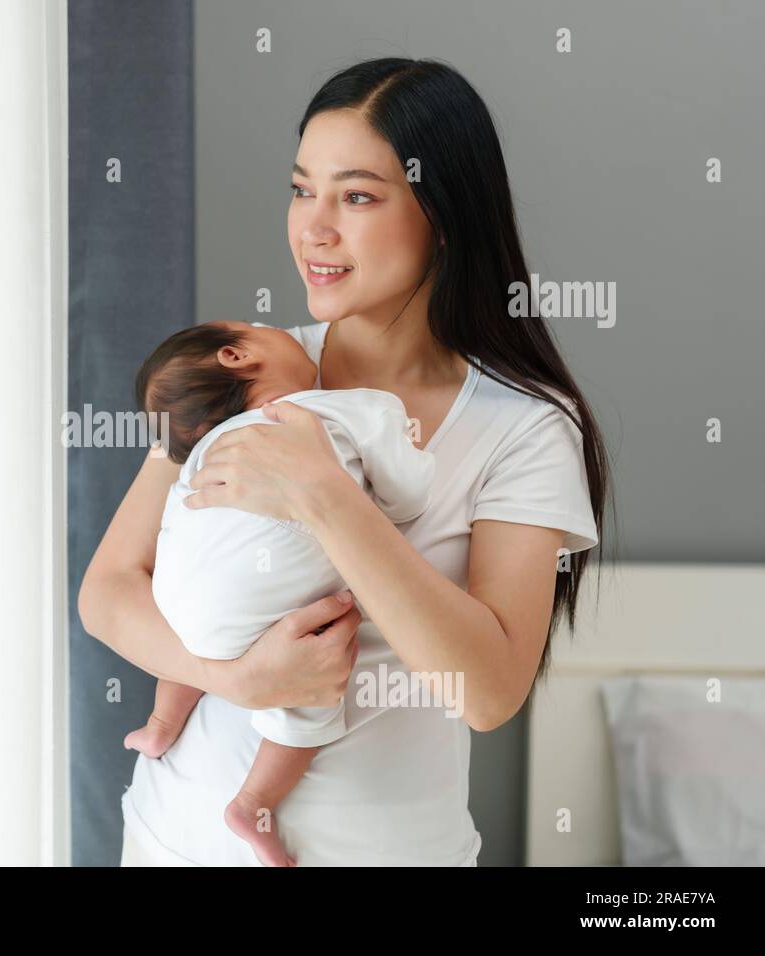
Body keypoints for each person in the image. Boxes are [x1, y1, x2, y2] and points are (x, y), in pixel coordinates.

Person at [78, 57, 610, 866]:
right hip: (174, 840)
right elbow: (108, 590)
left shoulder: (524, 428)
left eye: (356, 196)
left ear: (443, 214)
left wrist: (328, 495)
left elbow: (490, 691)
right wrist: (239, 678)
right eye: (301, 190)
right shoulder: (247, 376)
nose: (313, 228)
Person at [126, 319, 436, 866]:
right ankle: (253, 802)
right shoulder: (351, 409)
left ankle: (159, 726)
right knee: (311, 678)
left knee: (202, 626)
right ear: (236, 354)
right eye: (255, 327)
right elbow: (407, 498)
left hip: (177, 601)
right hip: (259, 610)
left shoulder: (208, 445)